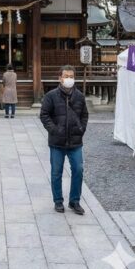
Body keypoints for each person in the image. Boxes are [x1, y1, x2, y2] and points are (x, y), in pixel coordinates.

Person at [39, 65, 88, 215]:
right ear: (60, 78)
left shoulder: (79, 96)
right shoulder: (51, 96)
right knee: (56, 172)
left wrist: (81, 129)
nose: (69, 79)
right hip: (57, 142)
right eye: (66, 76)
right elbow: (44, 115)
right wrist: (54, 130)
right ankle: (58, 201)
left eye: (71, 76)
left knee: (78, 170)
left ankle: (75, 201)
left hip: (75, 141)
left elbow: (84, 115)